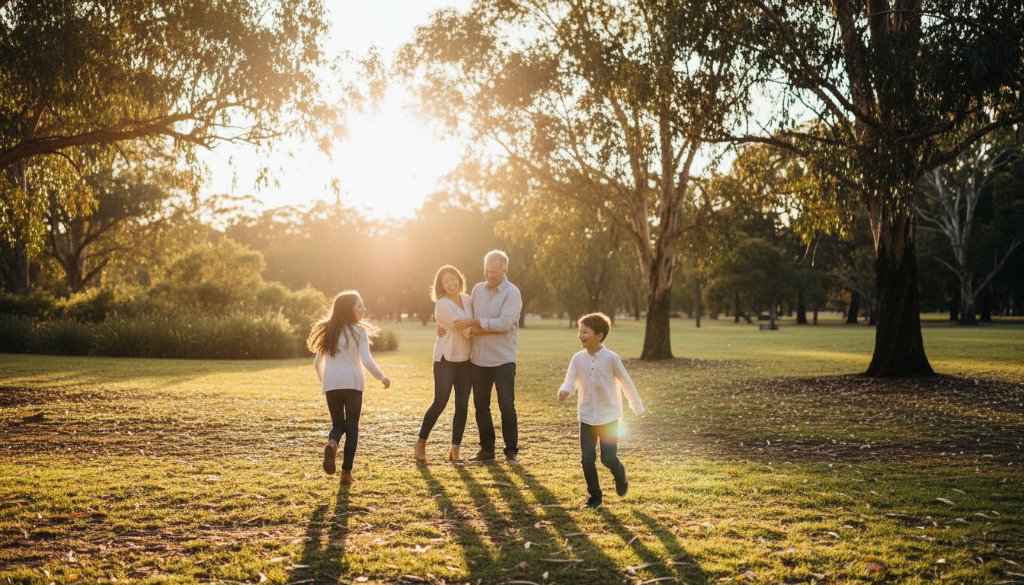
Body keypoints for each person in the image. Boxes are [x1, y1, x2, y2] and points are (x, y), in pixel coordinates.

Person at [557, 312, 647, 509]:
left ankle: (620, 473)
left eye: (585, 332)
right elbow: (570, 381)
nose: (580, 335)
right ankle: (595, 497)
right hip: (587, 417)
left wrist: (637, 407)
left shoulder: (611, 358)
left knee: (608, 458)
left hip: (609, 418)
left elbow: (627, 383)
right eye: (579, 331)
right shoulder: (578, 358)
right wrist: (565, 391)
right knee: (587, 459)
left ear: (599, 335)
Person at [308, 291, 391, 484]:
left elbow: (317, 362)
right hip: (353, 384)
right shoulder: (359, 331)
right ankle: (346, 474)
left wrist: (326, 381)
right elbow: (366, 360)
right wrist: (382, 377)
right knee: (352, 427)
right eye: (359, 305)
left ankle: (332, 443)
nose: (364, 309)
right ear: (348, 309)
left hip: (332, 385)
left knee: (338, 424)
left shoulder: (329, 331)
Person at [452, 249, 523, 463]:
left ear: (504, 270)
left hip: (503, 360)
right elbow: (466, 317)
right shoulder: (477, 290)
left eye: (494, 272)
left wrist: (475, 323)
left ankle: (511, 451)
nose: (489, 275)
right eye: (487, 270)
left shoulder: (512, 293)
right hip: (479, 360)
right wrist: (445, 327)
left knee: (506, 406)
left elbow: (504, 324)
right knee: (481, 406)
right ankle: (487, 450)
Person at [414, 265, 473, 462]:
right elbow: (465, 329)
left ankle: (455, 449)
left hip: (466, 360)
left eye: (453, 278)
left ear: (459, 279)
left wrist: (475, 322)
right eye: (446, 281)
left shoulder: (468, 300)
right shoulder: (442, 304)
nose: (451, 283)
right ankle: (421, 442)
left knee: (462, 406)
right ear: (441, 286)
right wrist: (490, 328)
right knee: (440, 402)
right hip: (445, 359)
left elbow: (472, 321)